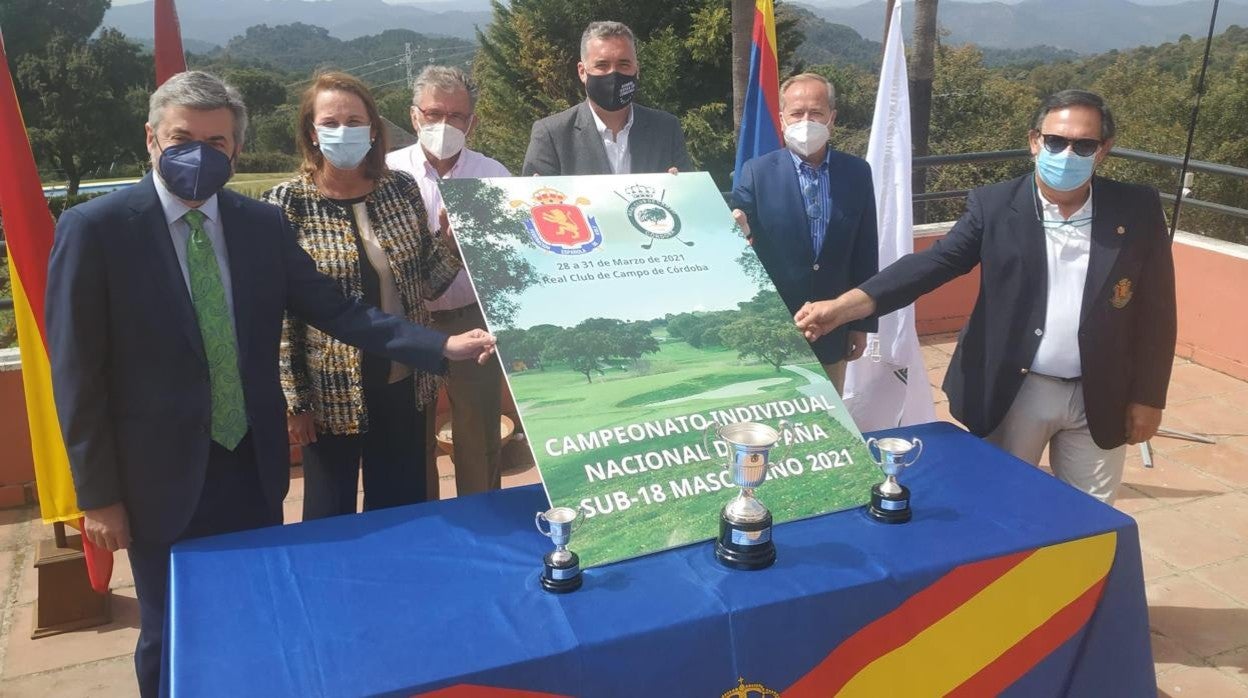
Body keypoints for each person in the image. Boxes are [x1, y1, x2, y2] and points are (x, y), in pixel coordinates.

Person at [44, 71, 495, 697]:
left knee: (260, 612)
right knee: (170, 630)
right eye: (182, 138)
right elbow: (76, 371)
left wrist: (438, 345)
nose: (200, 153)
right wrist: (97, 495)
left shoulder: (258, 223)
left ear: (236, 148)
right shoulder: (97, 229)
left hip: (251, 464)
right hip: (158, 477)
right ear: (151, 138)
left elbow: (339, 311)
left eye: (218, 141)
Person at [795, 89, 1176, 503]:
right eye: (1056, 141)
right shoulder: (995, 205)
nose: (1068, 153)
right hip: (1016, 391)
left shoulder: (1136, 209)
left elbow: (1157, 312)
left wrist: (1148, 397)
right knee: (1004, 505)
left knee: (1091, 519)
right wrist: (843, 308)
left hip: (1101, 394)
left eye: (1083, 144)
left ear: (1103, 150)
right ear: (1035, 142)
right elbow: (932, 265)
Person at [261, 72, 468, 519]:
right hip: (329, 393)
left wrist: (452, 244)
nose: (343, 130)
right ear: (312, 133)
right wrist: (295, 404)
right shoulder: (285, 203)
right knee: (329, 514)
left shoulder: (400, 189)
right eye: (330, 121)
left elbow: (426, 284)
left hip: (406, 382)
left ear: (373, 129)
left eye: (354, 120)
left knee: (401, 508)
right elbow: (281, 315)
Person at [387, 65, 511, 496]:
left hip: (473, 320)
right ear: (415, 116)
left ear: (472, 122)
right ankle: (428, 517)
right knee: (410, 437)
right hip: (409, 322)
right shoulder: (388, 175)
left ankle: (482, 514)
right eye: (434, 113)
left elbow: (510, 258)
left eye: (457, 116)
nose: (445, 125)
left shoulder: (493, 175)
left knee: (478, 436)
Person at [731, 73, 878, 393]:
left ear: (832, 119)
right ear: (782, 119)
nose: (806, 121)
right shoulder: (756, 172)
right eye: (797, 113)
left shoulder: (857, 173)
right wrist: (737, 228)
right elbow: (738, 238)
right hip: (773, 326)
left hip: (833, 326)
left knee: (830, 418)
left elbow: (865, 250)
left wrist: (861, 323)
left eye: (816, 113)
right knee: (771, 416)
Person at [521, 20, 694, 176]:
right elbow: (535, 205)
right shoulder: (551, 135)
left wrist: (680, 188)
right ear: (582, 72)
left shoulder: (666, 129)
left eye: (623, 64)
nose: (613, 73)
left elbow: (689, 200)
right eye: (602, 65)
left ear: (637, 69)